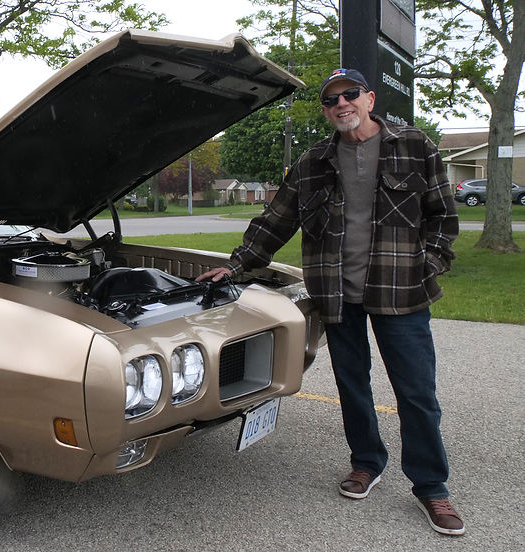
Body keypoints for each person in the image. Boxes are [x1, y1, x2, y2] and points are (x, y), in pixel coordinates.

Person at [199, 68, 464, 536]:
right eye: (331, 100)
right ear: (325, 110)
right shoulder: (313, 161)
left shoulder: (414, 146)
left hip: (401, 292)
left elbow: (443, 216)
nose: (341, 104)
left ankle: (431, 486)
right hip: (338, 295)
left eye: (350, 95)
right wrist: (236, 265)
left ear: (369, 98)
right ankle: (366, 462)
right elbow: (274, 221)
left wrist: (431, 264)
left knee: (417, 393)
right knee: (353, 386)